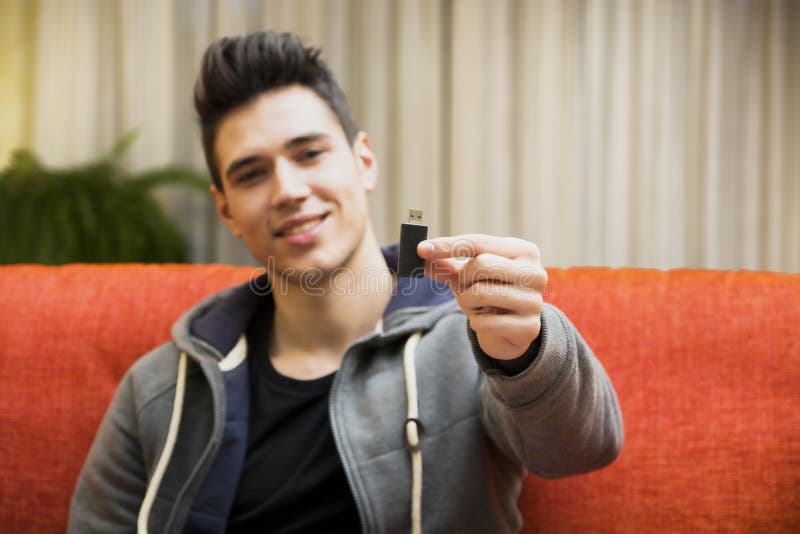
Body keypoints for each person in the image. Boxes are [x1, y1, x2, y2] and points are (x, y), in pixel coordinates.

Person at [69, 31, 623, 533]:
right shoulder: (161, 388)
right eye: (252, 173)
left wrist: (528, 353)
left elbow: (581, 448)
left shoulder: (471, 339)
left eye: (309, 153)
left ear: (364, 162)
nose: (288, 189)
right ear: (227, 212)